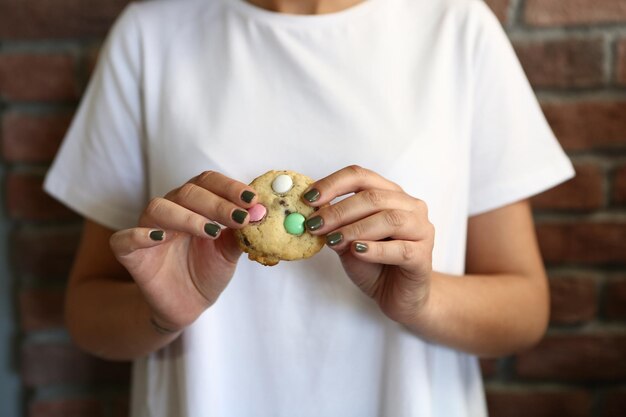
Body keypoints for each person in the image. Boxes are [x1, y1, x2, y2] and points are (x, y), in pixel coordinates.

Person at [44, 0, 574, 415]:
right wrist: (158, 315)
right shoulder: (149, 36)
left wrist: (422, 301)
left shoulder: (457, 30)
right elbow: (86, 311)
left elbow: (525, 312)